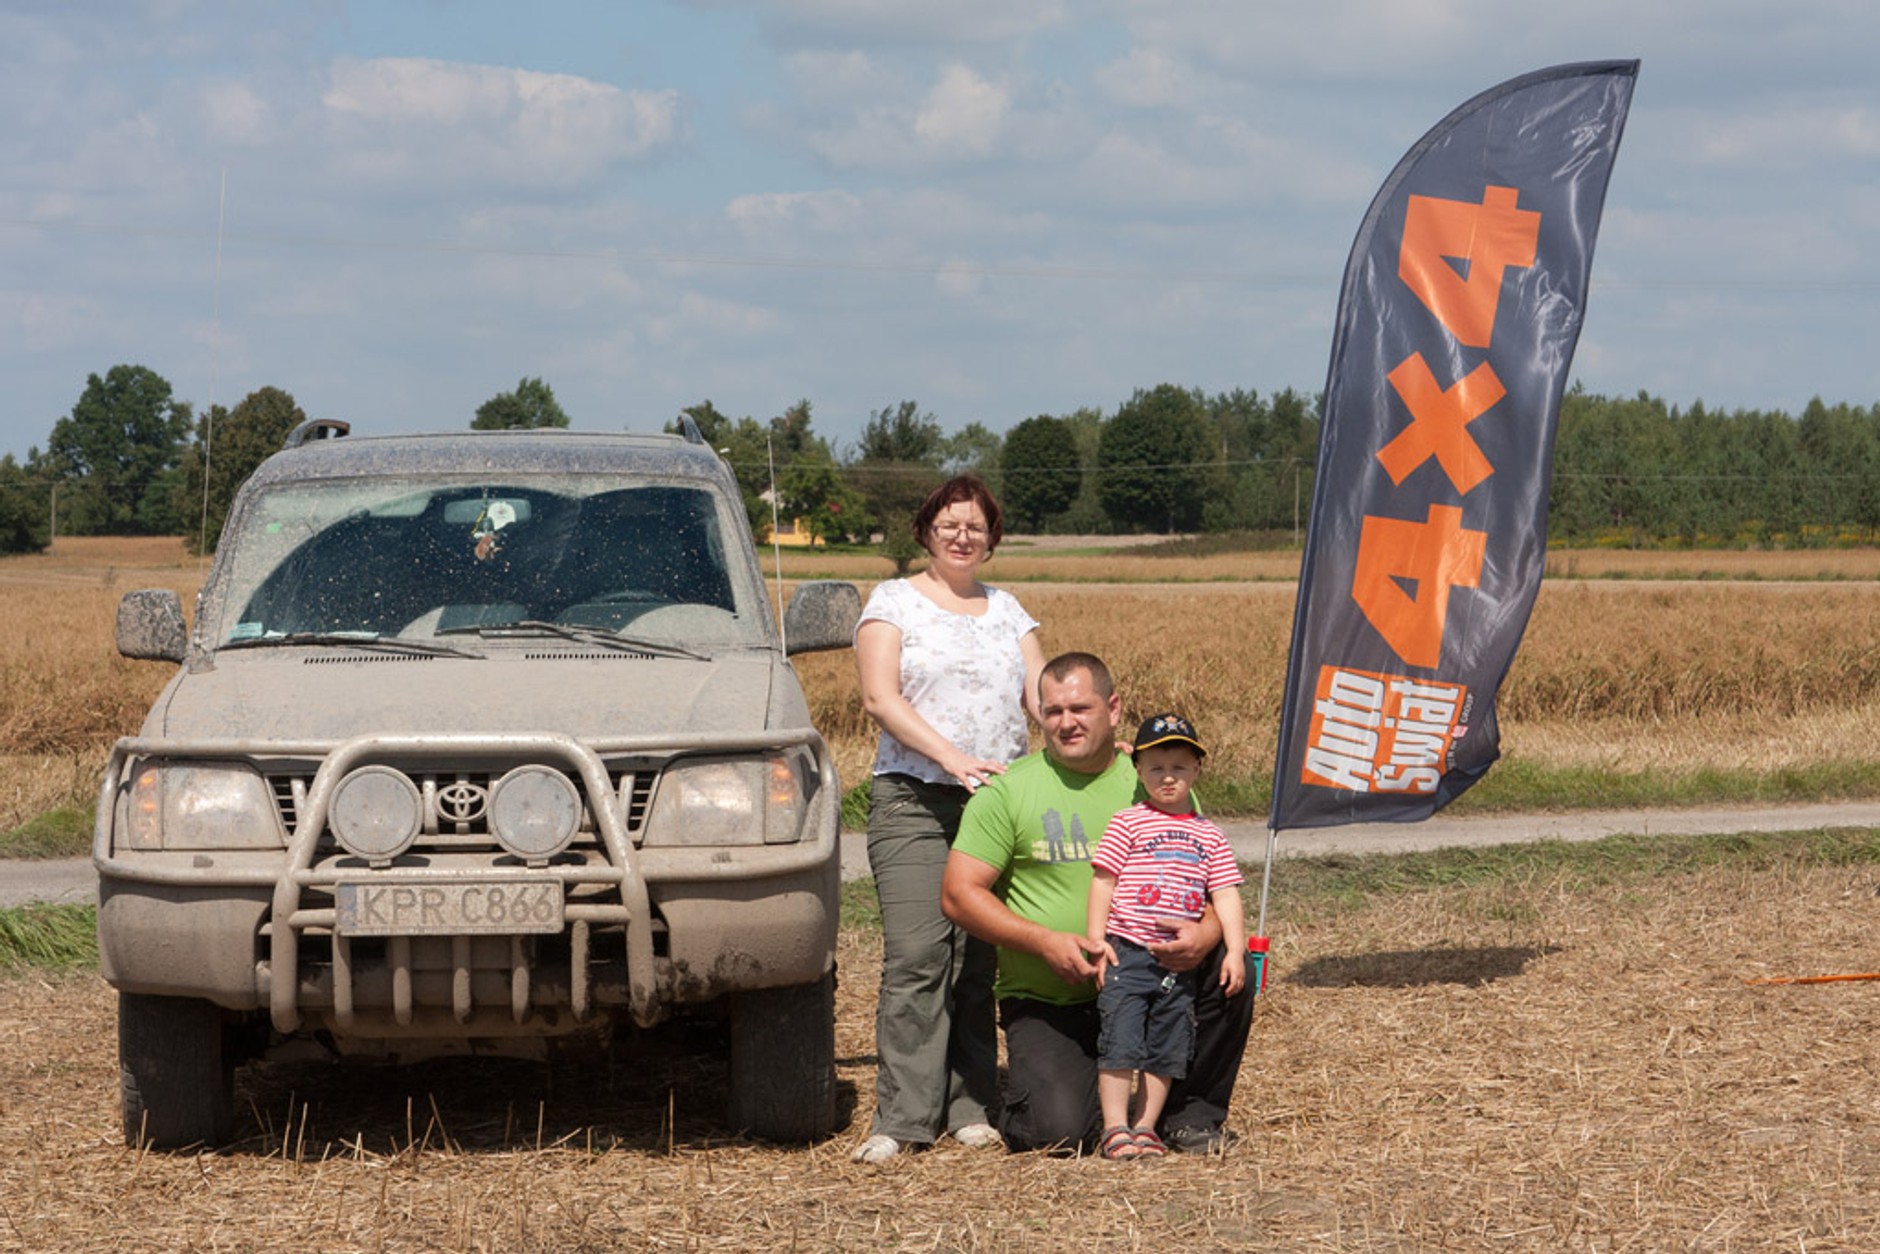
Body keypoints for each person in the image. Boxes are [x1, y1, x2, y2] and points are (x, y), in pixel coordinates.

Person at [941, 653, 1255, 1155]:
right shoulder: (1008, 792)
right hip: (1054, 996)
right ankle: (1089, 1101)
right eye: (1053, 711)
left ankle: (1186, 1117)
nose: (1066, 723)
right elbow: (959, 894)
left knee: (1231, 966)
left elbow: (1210, 883)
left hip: (1154, 979)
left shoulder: (1152, 777)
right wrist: (1043, 941)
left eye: (1080, 708)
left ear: (1113, 709)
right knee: (1057, 1134)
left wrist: (1209, 934)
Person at [849, 474, 1047, 1164]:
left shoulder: (1010, 611)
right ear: (926, 531)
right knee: (918, 954)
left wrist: (1088, 737)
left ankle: (969, 1105)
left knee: (975, 961)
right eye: (949, 523)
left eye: (977, 525)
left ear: (992, 538)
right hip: (914, 797)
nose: (963, 535)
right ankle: (902, 1117)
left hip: (995, 806)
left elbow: (1042, 698)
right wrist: (954, 757)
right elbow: (880, 698)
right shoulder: (893, 602)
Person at [1085, 713, 1246, 1160]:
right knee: (1120, 1037)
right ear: (1138, 771)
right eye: (1156, 767)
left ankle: (1146, 1127)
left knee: (1169, 1041)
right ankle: (1115, 1127)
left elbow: (1226, 893)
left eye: (1179, 767)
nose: (1168, 777)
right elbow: (1103, 882)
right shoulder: (1127, 823)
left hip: (1178, 963)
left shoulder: (1209, 834)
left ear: (1197, 770)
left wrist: (1235, 949)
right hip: (1128, 952)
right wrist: (1097, 941)